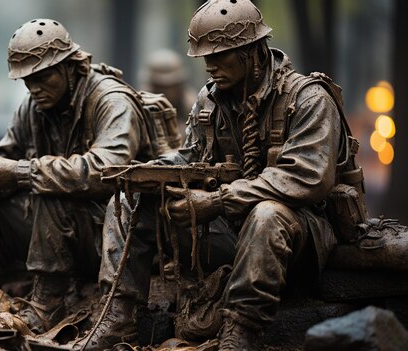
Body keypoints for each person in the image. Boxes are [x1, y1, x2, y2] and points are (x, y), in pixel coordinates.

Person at [82, 0, 365, 350]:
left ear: (251, 51)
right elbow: (192, 156)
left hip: (300, 235)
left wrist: (217, 201)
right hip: (230, 228)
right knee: (129, 202)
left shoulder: (308, 98)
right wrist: (146, 173)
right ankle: (119, 317)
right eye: (205, 59)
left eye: (220, 56)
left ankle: (241, 331)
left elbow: (307, 176)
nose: (210, 67)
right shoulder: (210, 100)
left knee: (267, 215)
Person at [0, 19, 176, 332]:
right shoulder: (33, 106)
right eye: (27, 80)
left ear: (70, 67)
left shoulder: (111, 101)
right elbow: (8, 150)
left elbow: (107, 171)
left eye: (42, 77)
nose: (34, 88)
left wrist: (20, 173)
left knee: (46, 187)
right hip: (69, 230)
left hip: (122, 234)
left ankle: (47, 304)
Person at [142, 48, 198, 137]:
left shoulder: (191, 104)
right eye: (160, 86)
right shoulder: (142, 102)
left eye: (171, 86)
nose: (166, 92)